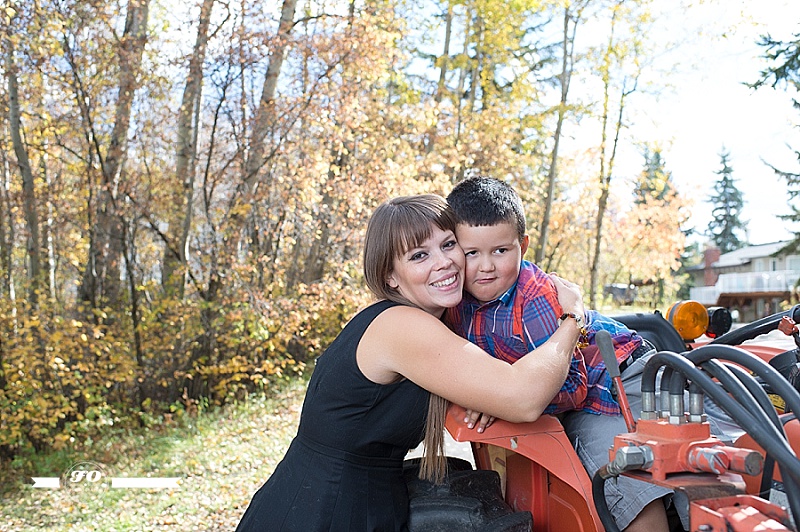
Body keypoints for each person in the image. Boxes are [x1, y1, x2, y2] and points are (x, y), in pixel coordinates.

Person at [235, 194, 586, 531]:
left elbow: (497, 382)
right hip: (324, 512)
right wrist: (571, 318)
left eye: (449, 245)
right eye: (419, 255)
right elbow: (523, 398)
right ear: (390, 276)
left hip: (356, 500)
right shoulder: (401, 326)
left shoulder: (425, 323)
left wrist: (485, 396)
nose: (444, 261)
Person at [443, 176, 679, 532]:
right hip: (578, 386)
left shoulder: (535, 299)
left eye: (500, 251)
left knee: (618, 470)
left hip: (614, 383)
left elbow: (572, 388)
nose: (486, 266)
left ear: (522, 245)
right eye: (471, 253)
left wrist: (496, 398)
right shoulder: (458, 300)